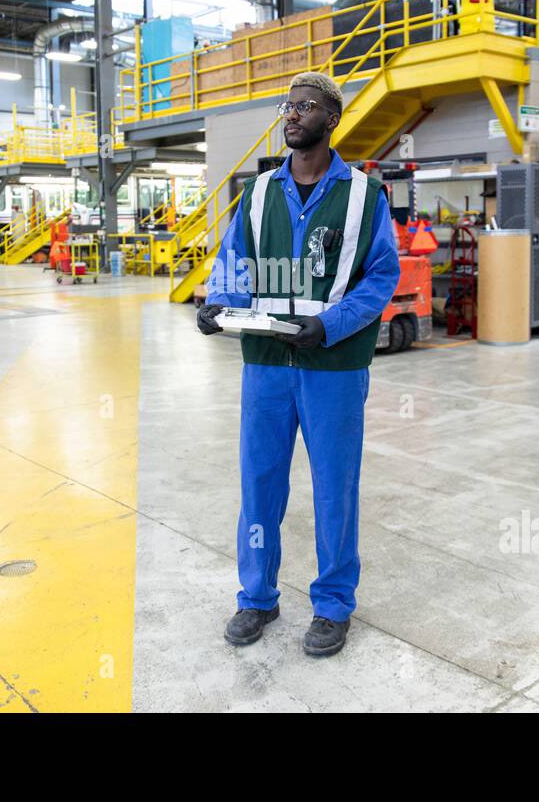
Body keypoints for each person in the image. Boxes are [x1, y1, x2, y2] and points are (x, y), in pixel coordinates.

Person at [196, 71, 401, 657]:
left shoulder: (363, 196)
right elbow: (235, 262)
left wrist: (330, 325)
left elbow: (381, 276)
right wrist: (217, 303)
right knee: (259, 483)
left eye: (305, 107)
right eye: (287, 107)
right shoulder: (259, 194)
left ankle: (333, 603)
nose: (291, 115)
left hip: (333, 368)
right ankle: (256, 597)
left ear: (332, 118)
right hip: (265, 366)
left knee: (335, 488)